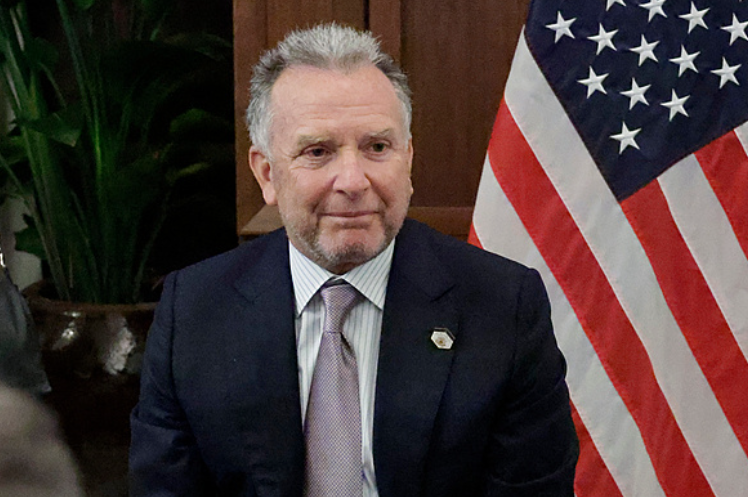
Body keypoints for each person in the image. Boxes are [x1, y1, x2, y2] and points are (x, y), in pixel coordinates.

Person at [129, 23, 578, 496]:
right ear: (267, 174)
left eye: (376, 148)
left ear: (408, 159)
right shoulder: (194, 312)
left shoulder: (502, 307)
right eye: (318, 152)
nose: (353, 181)